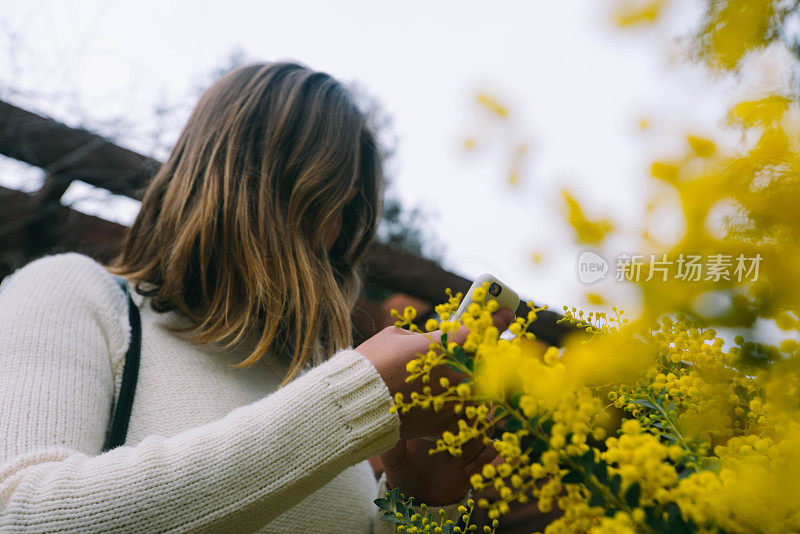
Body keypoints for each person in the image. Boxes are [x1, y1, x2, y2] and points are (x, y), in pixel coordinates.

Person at [0, 61, 514, 533]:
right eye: (319, 196)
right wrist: (351, 402)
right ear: (232, 177)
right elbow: (20, 514)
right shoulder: (77, 294)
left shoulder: (312, 381)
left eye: (346, 210)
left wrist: (416, 505)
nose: (333, 232)